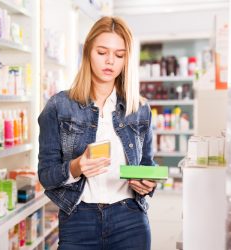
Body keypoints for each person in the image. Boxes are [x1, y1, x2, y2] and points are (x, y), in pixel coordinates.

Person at [38, 16, 157, 250]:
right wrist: (76, 166)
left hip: (130, 221)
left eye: (119, 55)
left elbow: (147, 165)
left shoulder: (139, 109)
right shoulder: (59, 105)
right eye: (102, 52)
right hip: (78, 220)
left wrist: (147, 183)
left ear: (126, 60)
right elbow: (46, 175)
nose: (110, 61)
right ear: (88, 52)